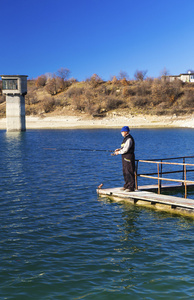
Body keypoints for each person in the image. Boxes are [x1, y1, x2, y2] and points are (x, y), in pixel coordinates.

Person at [114, 126, 135, 192]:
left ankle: (131, 187)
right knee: (125, 172)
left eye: (122, 131)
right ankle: (126, 185)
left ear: (126, 132)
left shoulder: (129, 139)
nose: (121, 133)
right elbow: (124, 147)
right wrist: (119, 149)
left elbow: (126, 149)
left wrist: (118, 152)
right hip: (124, 157)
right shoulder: (125, 139)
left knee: (129, 171)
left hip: (129, 157)